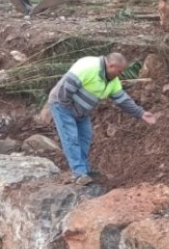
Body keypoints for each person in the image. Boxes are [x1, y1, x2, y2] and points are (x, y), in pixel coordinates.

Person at [47, 52, 157, 185]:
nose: (120, 74)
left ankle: (85, 171)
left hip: (81, 111)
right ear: (111, 66)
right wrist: (71, 109)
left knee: (85, 138)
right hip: (62, 105)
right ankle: (79, 173)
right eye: (119, 71)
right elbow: (64, 90)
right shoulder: (88, 67)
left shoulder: (112, 80)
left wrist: (141, 113)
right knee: (71, 137)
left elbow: (122, 99)